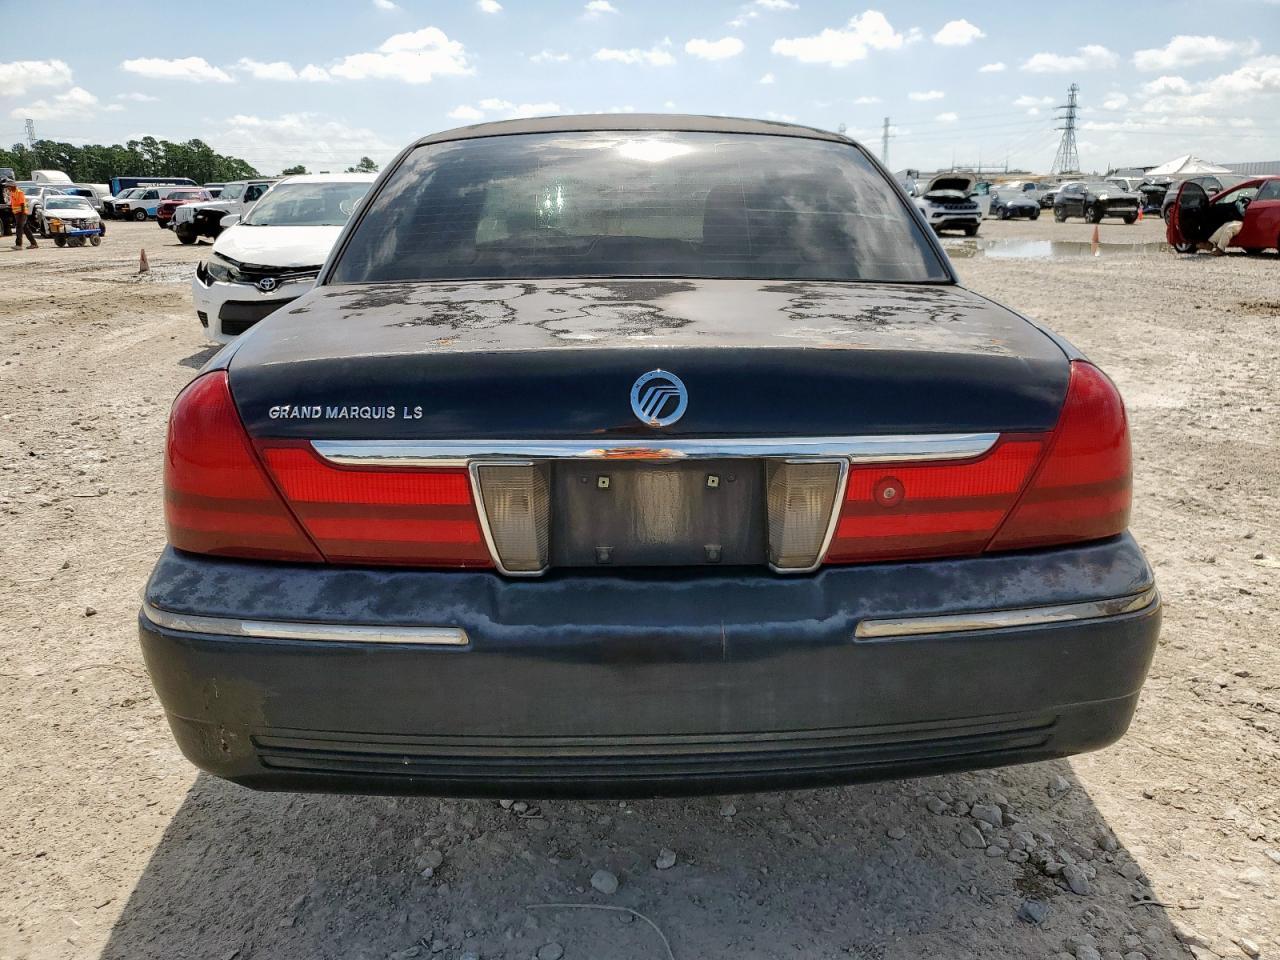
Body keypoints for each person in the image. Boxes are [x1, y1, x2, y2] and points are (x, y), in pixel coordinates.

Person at [7, 180, 39, 249]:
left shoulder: (19, 192)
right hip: (17, 213)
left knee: (19, 228)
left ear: (13, 186)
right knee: (26, 229)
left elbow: (22, 204)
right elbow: (13, 203)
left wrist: (22, 214)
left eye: (8, 186)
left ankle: (18, 245)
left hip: (21, 213)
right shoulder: (12, 193)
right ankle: (34, 244)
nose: (7, 188)